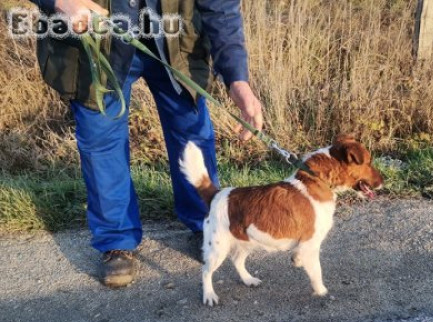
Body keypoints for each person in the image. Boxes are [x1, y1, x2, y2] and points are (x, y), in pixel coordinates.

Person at [29, 0, 263, 287]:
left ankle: (206, 223)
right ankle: (116, 241)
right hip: (94, 44)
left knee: (192, 134)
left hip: (176, 41)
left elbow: (221, 8)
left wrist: (237, 79)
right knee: (101, 140)